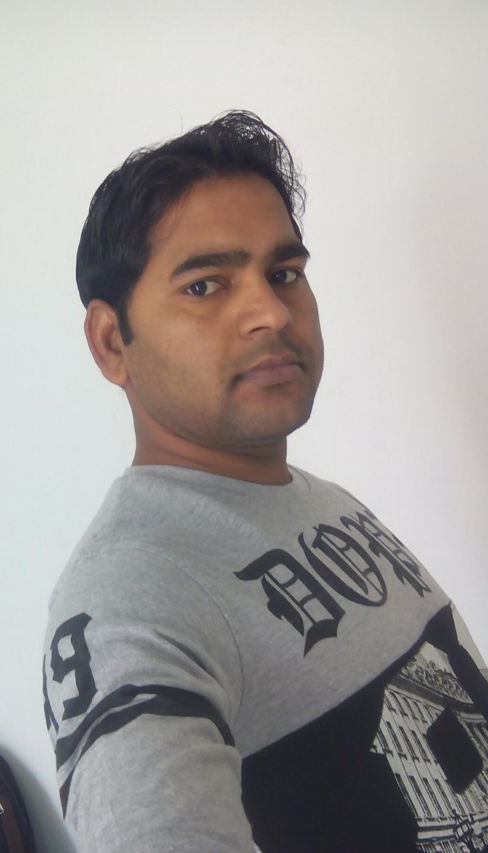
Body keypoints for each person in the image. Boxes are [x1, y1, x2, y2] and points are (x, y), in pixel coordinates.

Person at [43, 112, 488, 852]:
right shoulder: (130, 594)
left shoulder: (322, 499)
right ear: (113, 341)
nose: (272, 313)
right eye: (205, 285)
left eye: (284, 274)